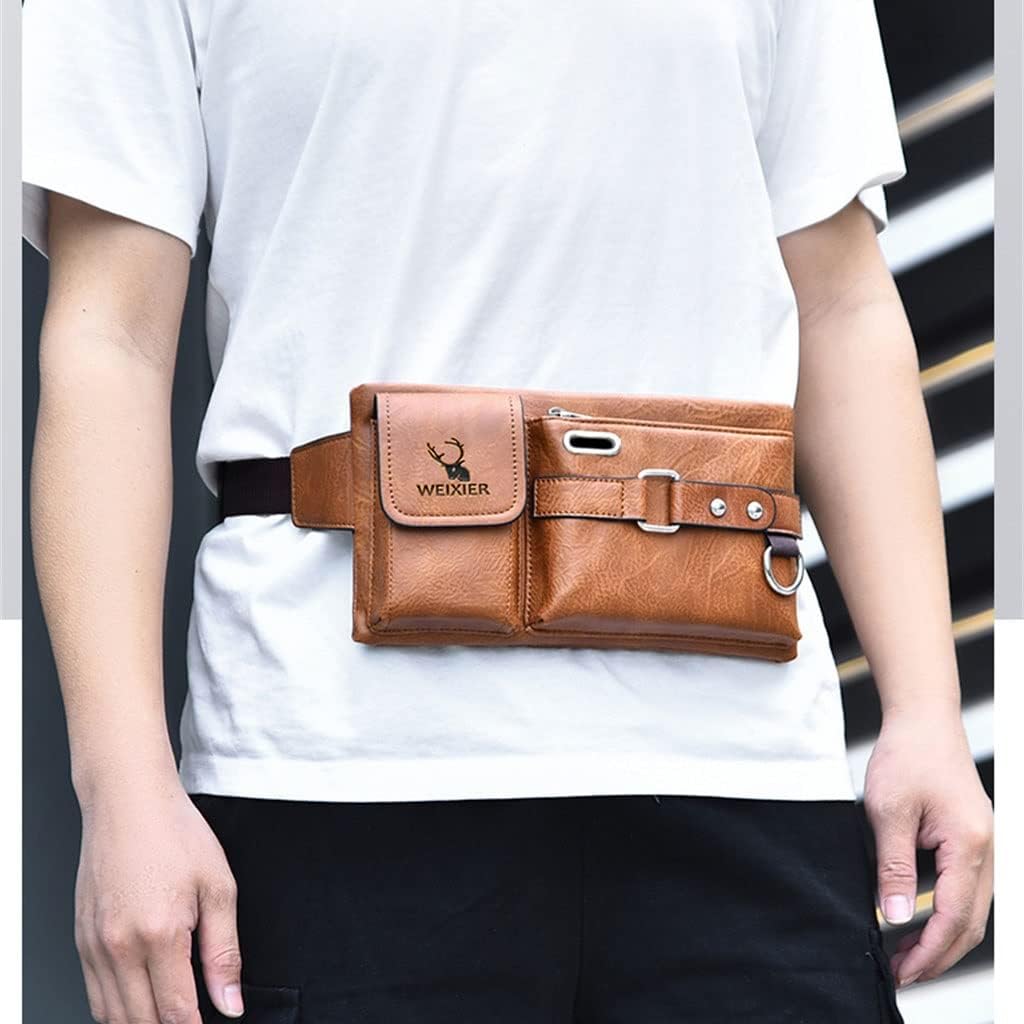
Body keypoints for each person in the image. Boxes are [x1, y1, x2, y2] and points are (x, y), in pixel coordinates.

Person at [23, 2, 993, 1022]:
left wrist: (927, 711)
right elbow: (109, 341)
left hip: (747, 770)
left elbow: (841, 303)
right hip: (330, 770)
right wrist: (119, 785)